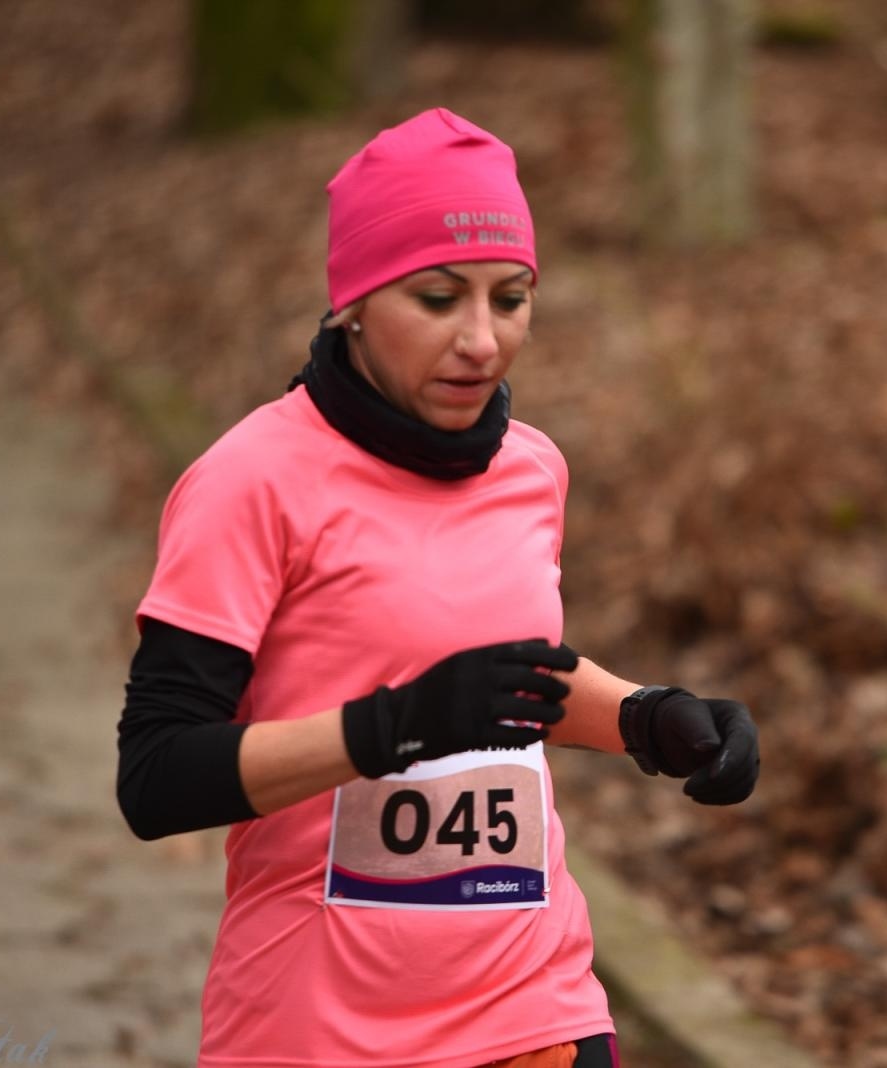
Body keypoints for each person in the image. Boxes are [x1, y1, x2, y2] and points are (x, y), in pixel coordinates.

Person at [116, 107, 761, 1068]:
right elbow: (157, 777)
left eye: (510, 299)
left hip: (532, 1005)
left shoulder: (530, 469)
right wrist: (392, 728)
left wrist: (648, 718)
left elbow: (510, 683)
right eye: (437, 298)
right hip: (322, 1021)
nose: (481, 340)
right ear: (354, 304)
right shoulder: (252, 480)